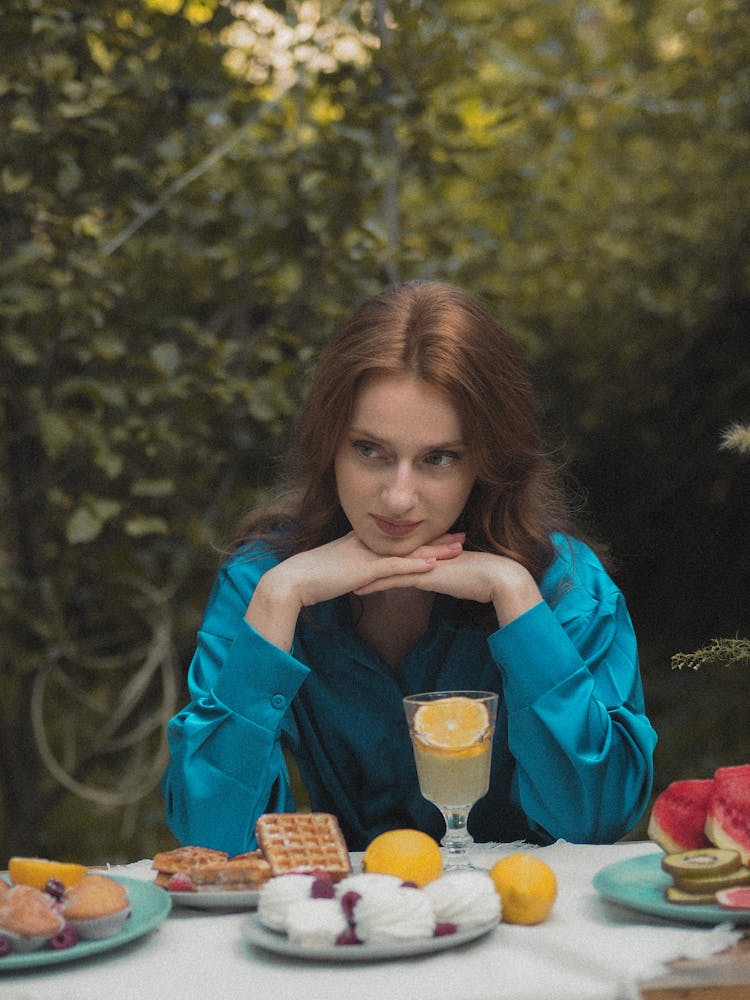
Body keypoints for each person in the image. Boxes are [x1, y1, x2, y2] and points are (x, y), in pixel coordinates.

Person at [162, 280, 657, 855]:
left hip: (525, 915)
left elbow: (597, 819)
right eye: (369, 450)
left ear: (488, 461)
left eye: (438, 459)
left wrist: (513, 593)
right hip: (357, 925)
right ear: (329, 444)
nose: (398, 498)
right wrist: (280, 597)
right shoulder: (264, 582)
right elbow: (211, 839)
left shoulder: (561, 581)